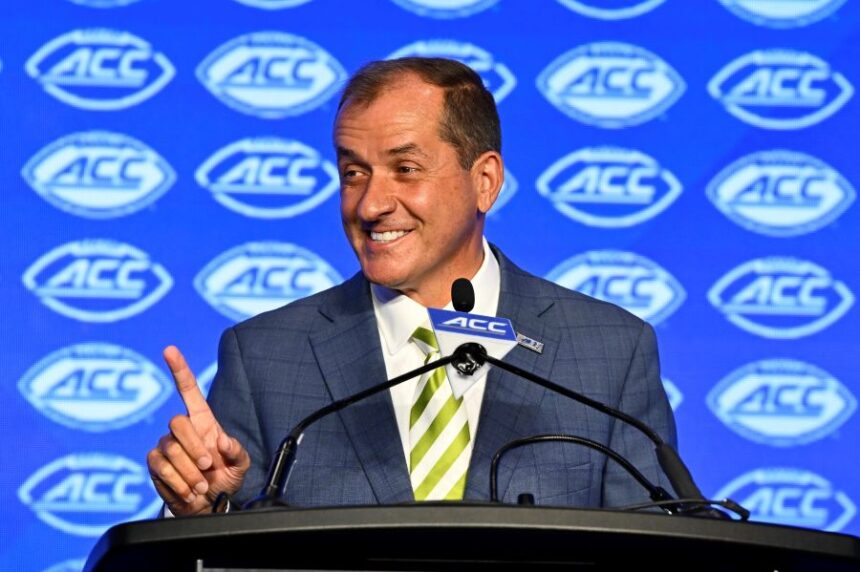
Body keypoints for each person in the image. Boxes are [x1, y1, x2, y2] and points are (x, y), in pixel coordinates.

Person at [147, 57, 677, 516]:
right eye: (354, 173)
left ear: (485, 181)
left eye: (405, 169)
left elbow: (656, 556)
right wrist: (204, 509)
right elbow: (221, 554)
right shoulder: (265, 357)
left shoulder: (609, 352)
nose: (370, 205)